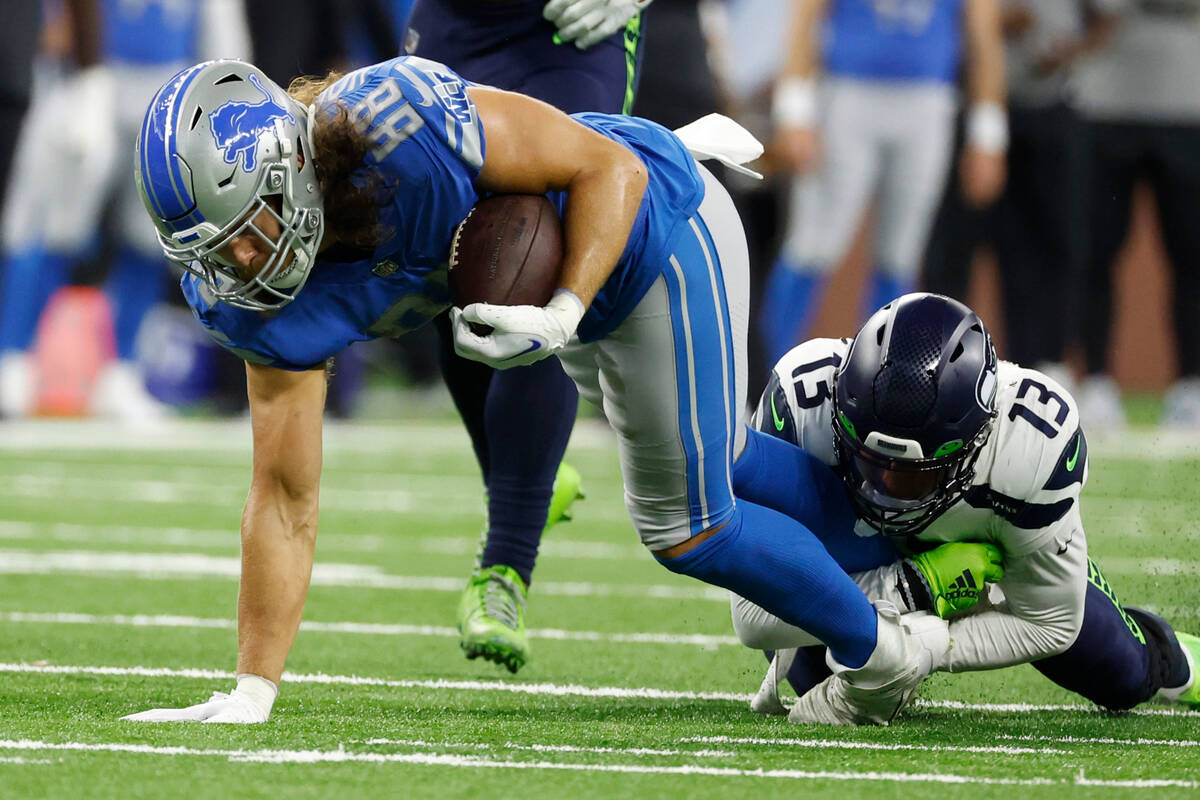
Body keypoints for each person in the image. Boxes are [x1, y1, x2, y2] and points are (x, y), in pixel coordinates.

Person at [120, 55, 938, 724]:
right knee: (720, 462)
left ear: (290, 165)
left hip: (653, 228)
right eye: (214, 254)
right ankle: (912, 546)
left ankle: (880, 656)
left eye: (251, 233)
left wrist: (562, 311)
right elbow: (284, 498)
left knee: (688, 525)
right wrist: (252, 691)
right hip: (574, 296)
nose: (240, 269)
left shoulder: (395, 124)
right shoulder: (255, 308)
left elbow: (604, 163)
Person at [733, 292, 1199, 724]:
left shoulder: (1031, 444)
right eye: (870, 463)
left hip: (989, 571)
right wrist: (918, 588)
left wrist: (924, 648)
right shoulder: (801, 403)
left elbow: (1051, 624)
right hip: (843, 551)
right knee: (818, 678)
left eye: (914, 475)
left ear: (978, 440)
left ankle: (1176, 658)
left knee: (1123, 675)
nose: (886, 493)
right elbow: (752, 617)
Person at [401, 0, 650, 672]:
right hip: (457, 25)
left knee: (533, 247)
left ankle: (504, 569)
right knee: (439, 243)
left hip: (564, 31)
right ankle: (526, 482)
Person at [0, 0, 250, 420]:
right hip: (92, 80)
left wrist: (219, 105)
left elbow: (223, 36)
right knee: (55, 230)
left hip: (170, 90)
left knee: (152, 236)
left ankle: (123, 371)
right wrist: (75, 77)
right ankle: (13, 359)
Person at [759, 0, 1008, 367]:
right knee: (812, 243)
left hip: (928, 98)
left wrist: (988, 134)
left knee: (900, 253)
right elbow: (805, 15)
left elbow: (984, 33)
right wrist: (795, 109)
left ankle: (881, 384)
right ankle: (765, 373)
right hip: (849, 90)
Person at [1071, 3, 1200, 429]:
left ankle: (1192, 386)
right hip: (1104, 98)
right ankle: (1096, 382)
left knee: (1192, 254)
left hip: (1187, 99)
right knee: (1095, 251)